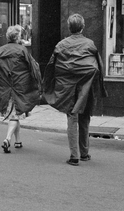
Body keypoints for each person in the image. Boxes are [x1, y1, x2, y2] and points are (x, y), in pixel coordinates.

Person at [42, 13, 108, 166]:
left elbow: (53, 66)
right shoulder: (90, 44)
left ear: (69, 27)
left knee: (72, 118)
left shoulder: (61, 45)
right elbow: (98, 65)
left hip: (67, 87)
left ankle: (74, 156)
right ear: (83, 27)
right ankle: (84, 153)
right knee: (85, 118)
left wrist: (50, 85)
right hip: (85, 86)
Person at [0, 25, 42, 153]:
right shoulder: (22, 51)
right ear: (18, 37)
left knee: (15, 114)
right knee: (15, 115)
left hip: (5, 88)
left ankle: (18, 141)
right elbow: (34, 68)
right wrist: (38, 85)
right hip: (20, 88)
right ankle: (7, 139)